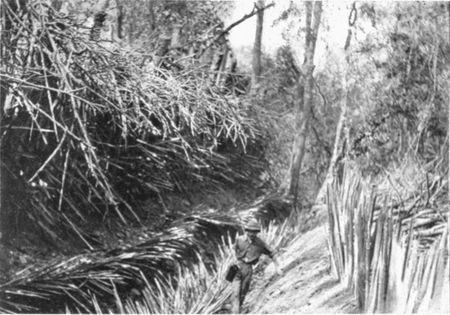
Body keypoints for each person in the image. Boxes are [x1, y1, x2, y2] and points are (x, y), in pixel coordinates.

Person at [231, 218, 282, 313]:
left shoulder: (260, 243)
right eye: (250, 231)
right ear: (246, 231)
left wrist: (277, 267)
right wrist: (234, 259)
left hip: (248, 270)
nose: (252, 234)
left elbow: (272, 253)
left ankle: (237, 310)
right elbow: (234, 249)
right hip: (237, 268)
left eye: (255, 232)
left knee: (242, 293)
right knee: (235, 294)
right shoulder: (239, 239)